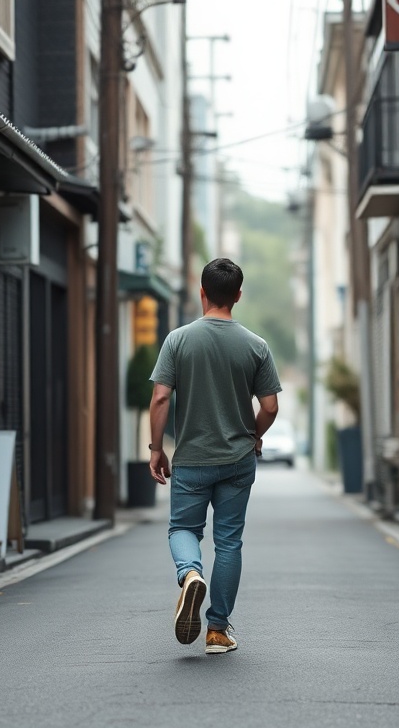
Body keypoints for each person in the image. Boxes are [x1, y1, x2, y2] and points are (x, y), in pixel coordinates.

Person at [148, 257, 281, 655]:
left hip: (191, 459)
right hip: (238, 460)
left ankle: (190, 574)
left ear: (201, 292)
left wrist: (157, 449)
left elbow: (160, 397)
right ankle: (217, 631)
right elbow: (271, 406)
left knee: (182, 530)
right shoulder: (256, 345)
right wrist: (253, 437)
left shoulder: (178, 340)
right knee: (229, 543)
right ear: (238, 296)